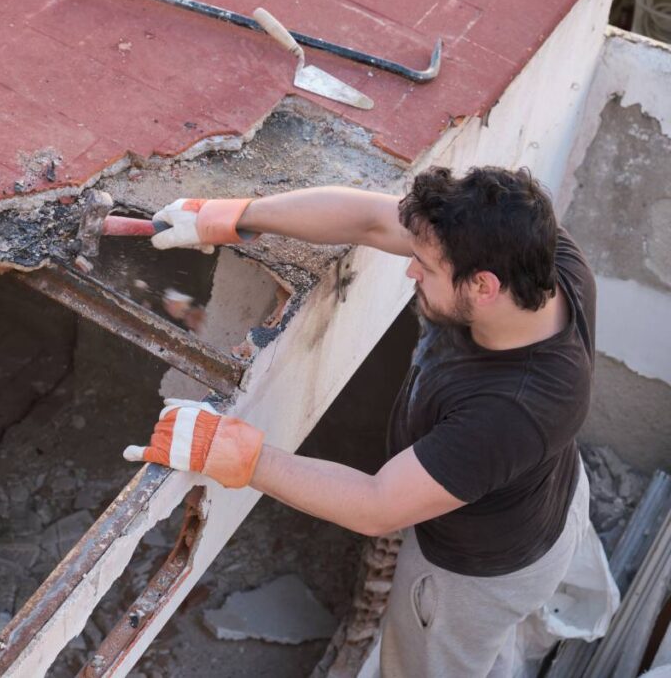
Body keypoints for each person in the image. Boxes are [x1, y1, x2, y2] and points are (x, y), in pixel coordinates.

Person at [123, 166, 617, 677]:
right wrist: (237, 216)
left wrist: (236, 453)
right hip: (538, 499)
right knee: (490, 646)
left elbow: (377, 506)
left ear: (483, 286)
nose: (410, 271)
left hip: (475, 575)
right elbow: (369, 219)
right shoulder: (540, 255)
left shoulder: (514, 410)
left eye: (424, 266)